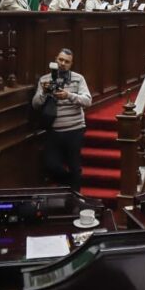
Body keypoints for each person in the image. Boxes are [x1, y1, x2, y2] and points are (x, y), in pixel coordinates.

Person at [31, 48, 91, 191]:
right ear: (55, 60)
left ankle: (76, 198)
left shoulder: (78, 78)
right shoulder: (45, 79)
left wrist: (69, 95)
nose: (63, 64)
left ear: (71, 64)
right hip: (54, 130)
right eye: (60, 60)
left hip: (74, 129)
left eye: (67, 62)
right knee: (51, 165)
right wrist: (44, 92)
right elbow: (35, 104)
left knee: (74, 166)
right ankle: (69, 184)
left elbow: (88, 101)